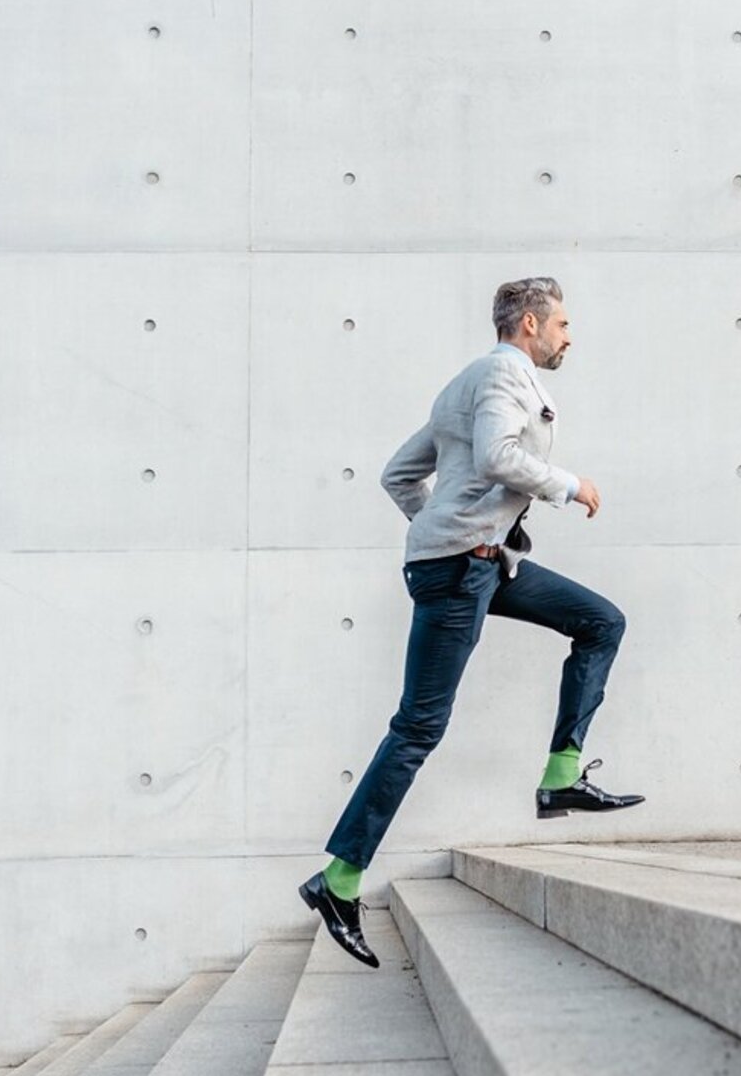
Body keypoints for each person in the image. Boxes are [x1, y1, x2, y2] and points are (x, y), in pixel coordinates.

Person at [298, 277, 644, 967]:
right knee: (418, 727)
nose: (568, 336)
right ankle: (338, 880)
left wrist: (447, 528)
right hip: (459, 573)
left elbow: (399, 474)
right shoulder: (502, 377)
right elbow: (496, 458)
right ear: (528, 326)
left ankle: (560, 773)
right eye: (562, 324)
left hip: (482, 566)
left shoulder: (464, 382)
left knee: (600, 621)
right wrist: (569, 486)